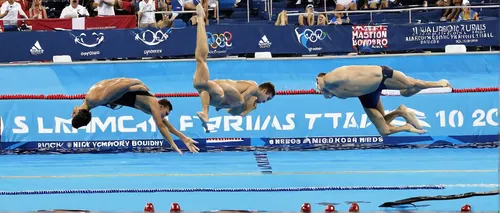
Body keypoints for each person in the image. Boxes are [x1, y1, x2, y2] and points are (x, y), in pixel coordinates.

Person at [192, 4, 276, 132]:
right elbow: (239, 101)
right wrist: (248, 108)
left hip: (214, 94)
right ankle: (200, 19)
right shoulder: (253, 86)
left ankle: (205, 113)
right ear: (264, 91)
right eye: (268, 98)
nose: (265, 102)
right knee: (201, 60)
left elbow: (231, 112)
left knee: (200, 61)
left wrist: (247, 110)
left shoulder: (251, 99)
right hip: (218, 90)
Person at [71, 77, 200, 155]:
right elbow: (162, 124)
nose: (164, 116)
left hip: (128, 86)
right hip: (127, 86)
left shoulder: (94, 99)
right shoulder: (95, 100)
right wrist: (179, 140)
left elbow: (115, 85)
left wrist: (181, 139)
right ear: (75, 113)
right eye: (166, 113)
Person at [315, 65, 451, 136]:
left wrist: (320, 82)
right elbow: (327, 95)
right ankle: (401, 113)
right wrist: (323, 90)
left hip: (382, 76)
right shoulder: (333, 90)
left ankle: (438, 83)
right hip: (366, 95)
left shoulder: (330, 78)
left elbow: (325, 80)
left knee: (410, 86)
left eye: (317, 83)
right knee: (384, 130)